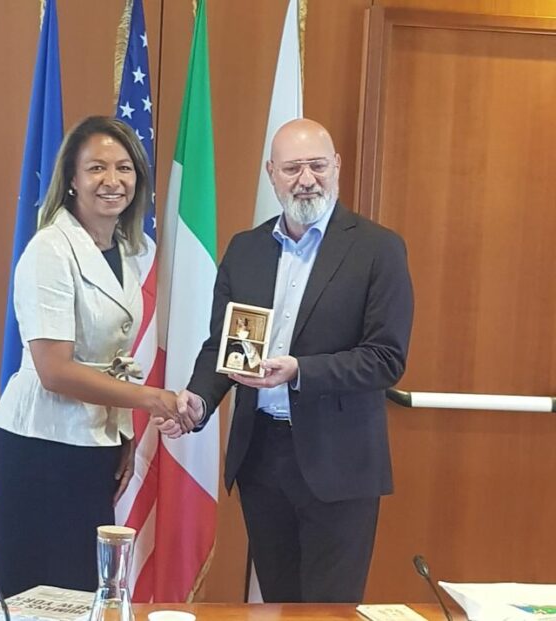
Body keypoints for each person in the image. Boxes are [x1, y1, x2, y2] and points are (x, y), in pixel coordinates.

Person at [155, 118, 414, 603]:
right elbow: (223, 346)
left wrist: (300, 371)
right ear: (271, 173)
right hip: (262, 460)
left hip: (340, 465)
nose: (307, 179)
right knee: (279, 603)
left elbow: (385, 359)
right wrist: (198, 401)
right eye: (293, 168)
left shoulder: (378, 249)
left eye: (318, 166)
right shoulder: (246, 249)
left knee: (329, 611)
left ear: (337, 167)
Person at [0, 116, 185, 597]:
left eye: (124, 168)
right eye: (97, 167)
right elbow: (54, 371)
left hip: (98, 441)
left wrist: (123, 430)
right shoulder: (50, 250)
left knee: (86, 586)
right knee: (43, 592)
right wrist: (149, 400)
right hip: (43, 444)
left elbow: (111, 353)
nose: (112, 180)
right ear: (72, 179)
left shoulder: (130, 250)